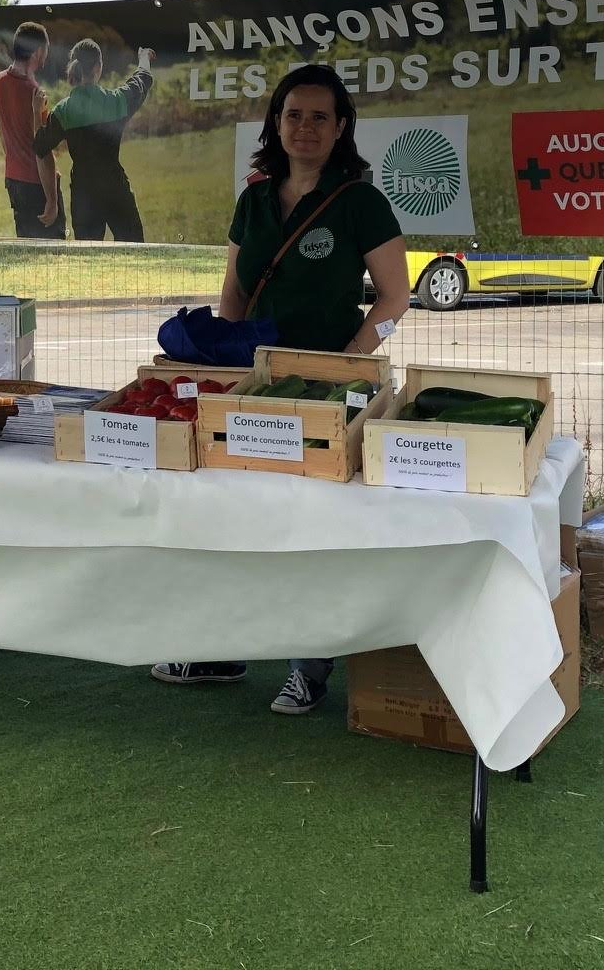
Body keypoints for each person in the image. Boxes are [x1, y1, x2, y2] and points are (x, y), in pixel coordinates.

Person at [151, 63, 412, 715]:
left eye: (320, 116)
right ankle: (220, 649)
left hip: (327, 391)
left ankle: (309, 666)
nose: (305, 127)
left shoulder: (361, 202)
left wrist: (349, 364)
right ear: (276, 122)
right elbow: (234, 291)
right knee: (235, 514)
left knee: (313, 527)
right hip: (256, 385)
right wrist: (230, 365)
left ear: (341, 127)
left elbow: (396, 297)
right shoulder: (254, 199)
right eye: (294, 114)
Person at [31, 38, 152, 243]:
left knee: (87, 257)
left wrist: (36, 112)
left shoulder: (64, 110)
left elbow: (40, 146)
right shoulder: (116, 101)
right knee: (134, 250)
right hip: (115, 188)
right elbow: (141, 82)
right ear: (98, 68)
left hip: (83, 196)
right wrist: (144, 58)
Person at [0, 20, 63, 238]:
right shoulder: (36, 95)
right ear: (38, 52)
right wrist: (52, 200)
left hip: (14, 181)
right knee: (55, 251)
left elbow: (3, 134)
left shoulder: (0, 81)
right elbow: (42, 150)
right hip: (37, 185)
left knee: (26, 250)